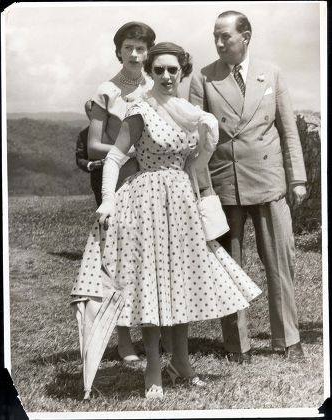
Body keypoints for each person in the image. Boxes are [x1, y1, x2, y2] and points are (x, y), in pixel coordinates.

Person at [71, 42, 261, 399]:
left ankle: (182, 364)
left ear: (182, 71)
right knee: (152, 287)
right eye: (158, 70)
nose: (166, 76)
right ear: (151, 72)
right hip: (145, 201)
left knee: (180, 284)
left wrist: (204, 145)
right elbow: (113, 158)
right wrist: (108, 200)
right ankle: (154, 369)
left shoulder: (190, 112)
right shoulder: (140, 110)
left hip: (181, 200)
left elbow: (194, 164)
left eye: (173, 69)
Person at [189, 11, 307, 363]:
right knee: (229, 266)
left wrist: (297, 178)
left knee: (279, 262)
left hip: (269, 181)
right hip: (225, 182)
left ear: (246, 36)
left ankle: (288, 339)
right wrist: (200, 187)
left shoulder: (271, 73)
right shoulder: (203, 79)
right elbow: (196, 139)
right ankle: (236, 345)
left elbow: (288, 130)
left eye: (226, 36)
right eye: (215, 37)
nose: (220, 43)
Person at [73, 21, 156, 364]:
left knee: (151, 258)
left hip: (151, 182)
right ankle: (123, 339)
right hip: (114, 181)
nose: (135, 54)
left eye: (141, 48)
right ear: (118, 51)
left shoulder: (157, 84)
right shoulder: (106, 90)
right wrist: (131, 151)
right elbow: (93, 146)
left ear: (148, 51)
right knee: (118, 260)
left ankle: (154, 333)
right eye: (128, 48)